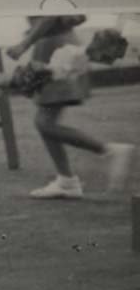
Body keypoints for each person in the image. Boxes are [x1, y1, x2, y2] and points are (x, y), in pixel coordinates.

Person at [8, 15, 134, 198]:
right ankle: (67, 180)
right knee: (45, 119)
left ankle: (108, 150)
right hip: (53, 46)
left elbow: (50, 16)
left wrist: (24, 44)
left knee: (44, 122)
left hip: (57, 50)